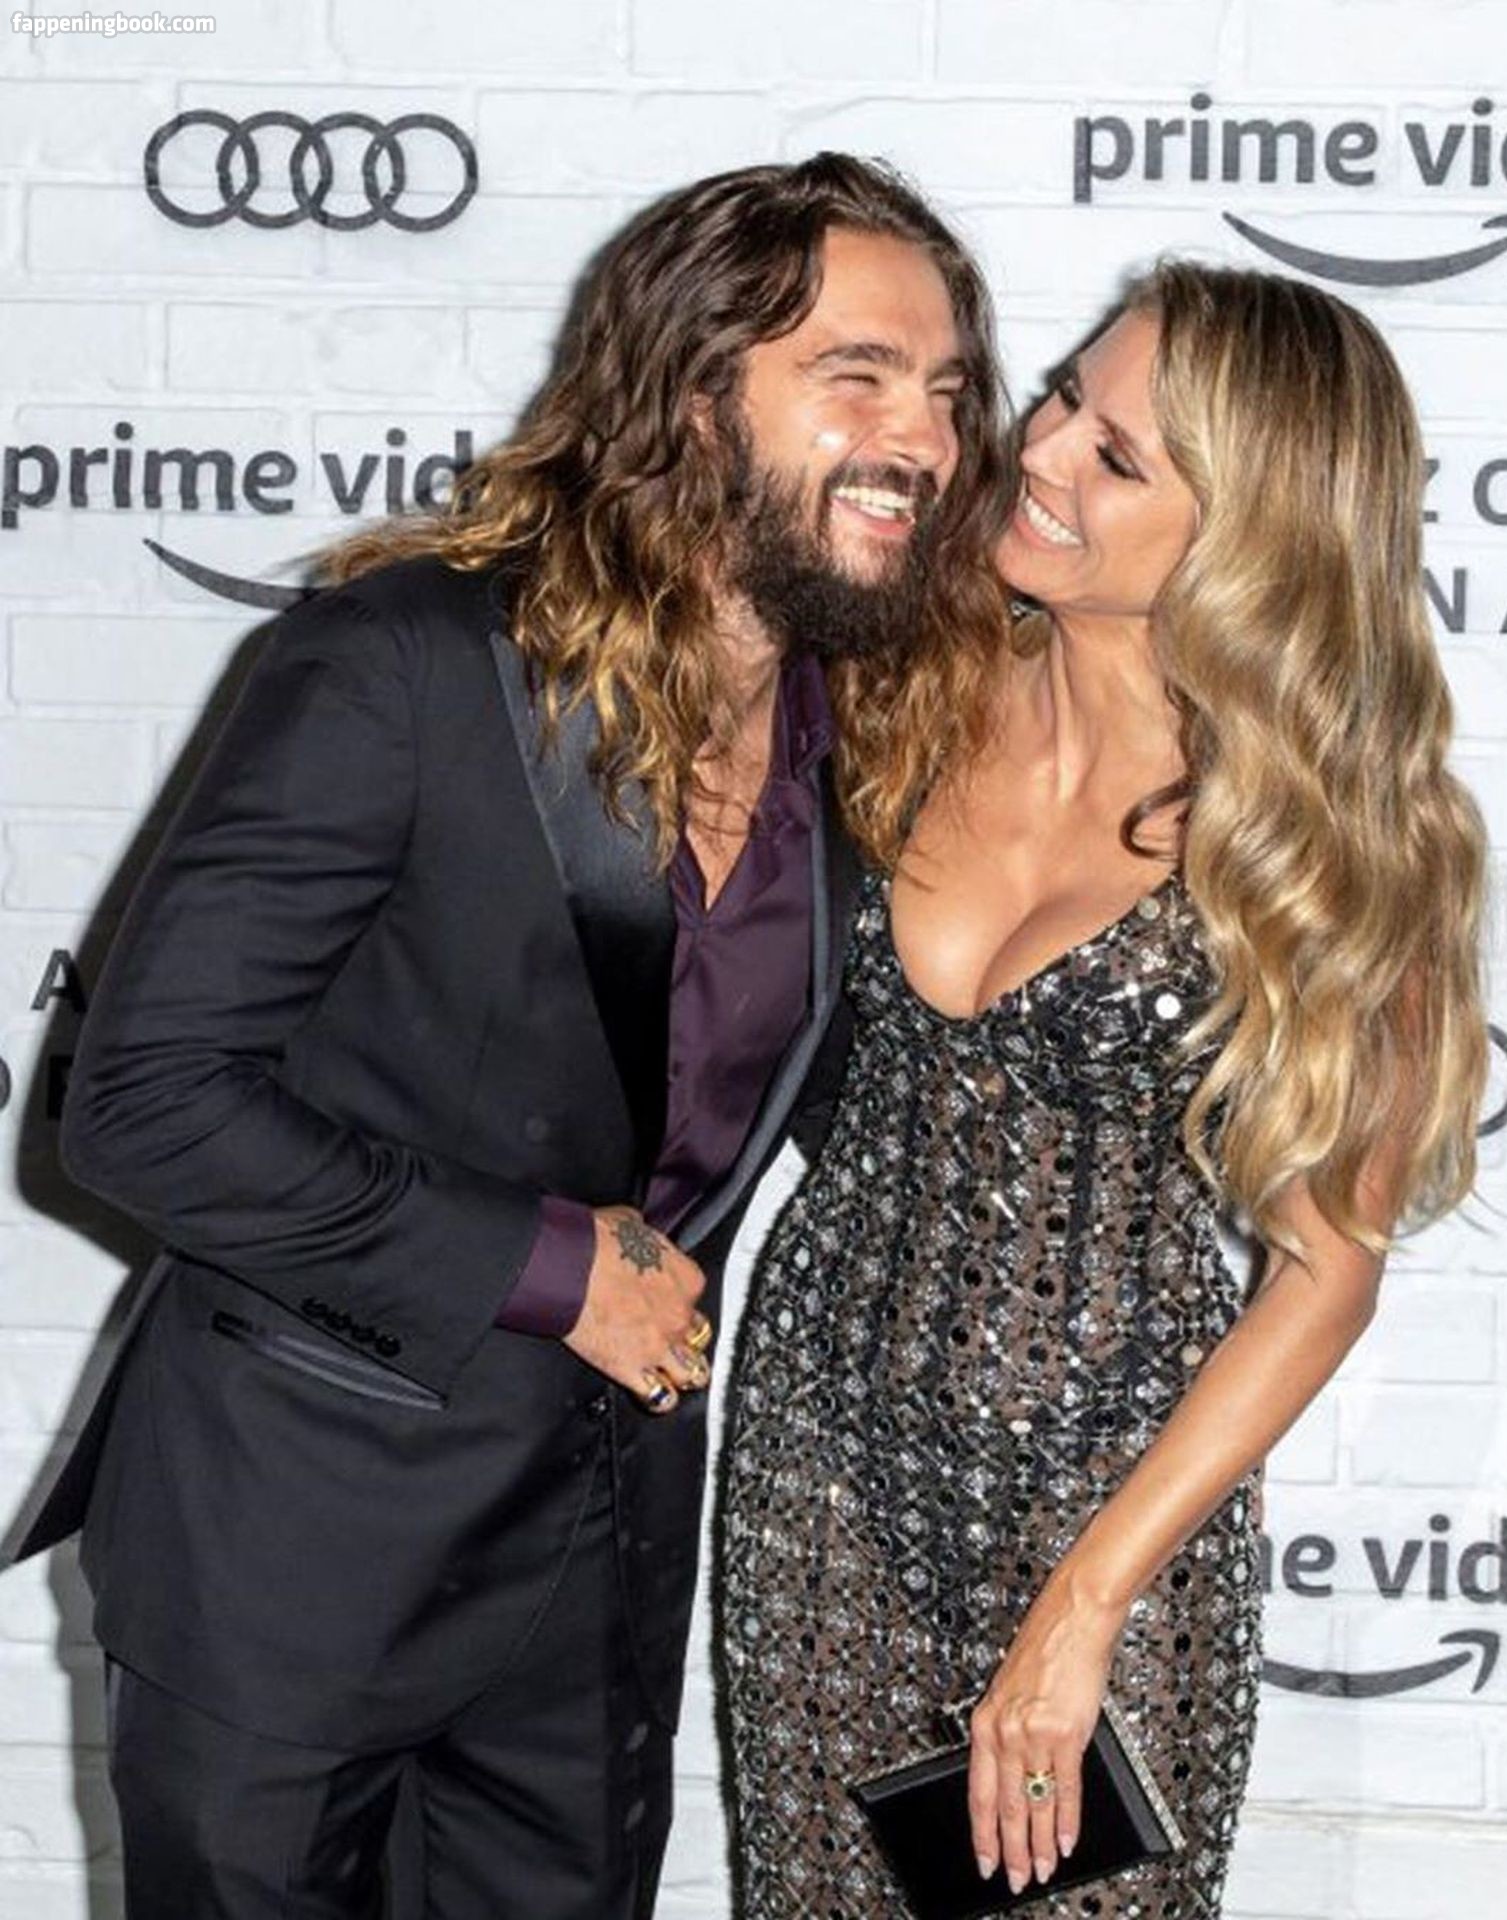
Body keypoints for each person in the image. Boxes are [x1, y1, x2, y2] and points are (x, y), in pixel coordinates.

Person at [9, 154, 1007, 1919]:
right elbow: (142, 1104)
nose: (920, 437)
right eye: (854, 375)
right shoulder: (408, 661)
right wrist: (554, 1269)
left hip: (593, 1576)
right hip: (294, 1550)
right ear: (692, 395)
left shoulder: (868, 731)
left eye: (944, 390)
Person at [721, 261, 1488, 1918]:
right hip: (821, 1464)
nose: (1043, 449)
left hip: (1118, 1503)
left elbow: (1326, 1271)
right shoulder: (897, 685)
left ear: (1246, 538)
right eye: (1066, 394)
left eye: (1117, 456)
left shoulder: (1323, 839)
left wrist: (1083, 1611)